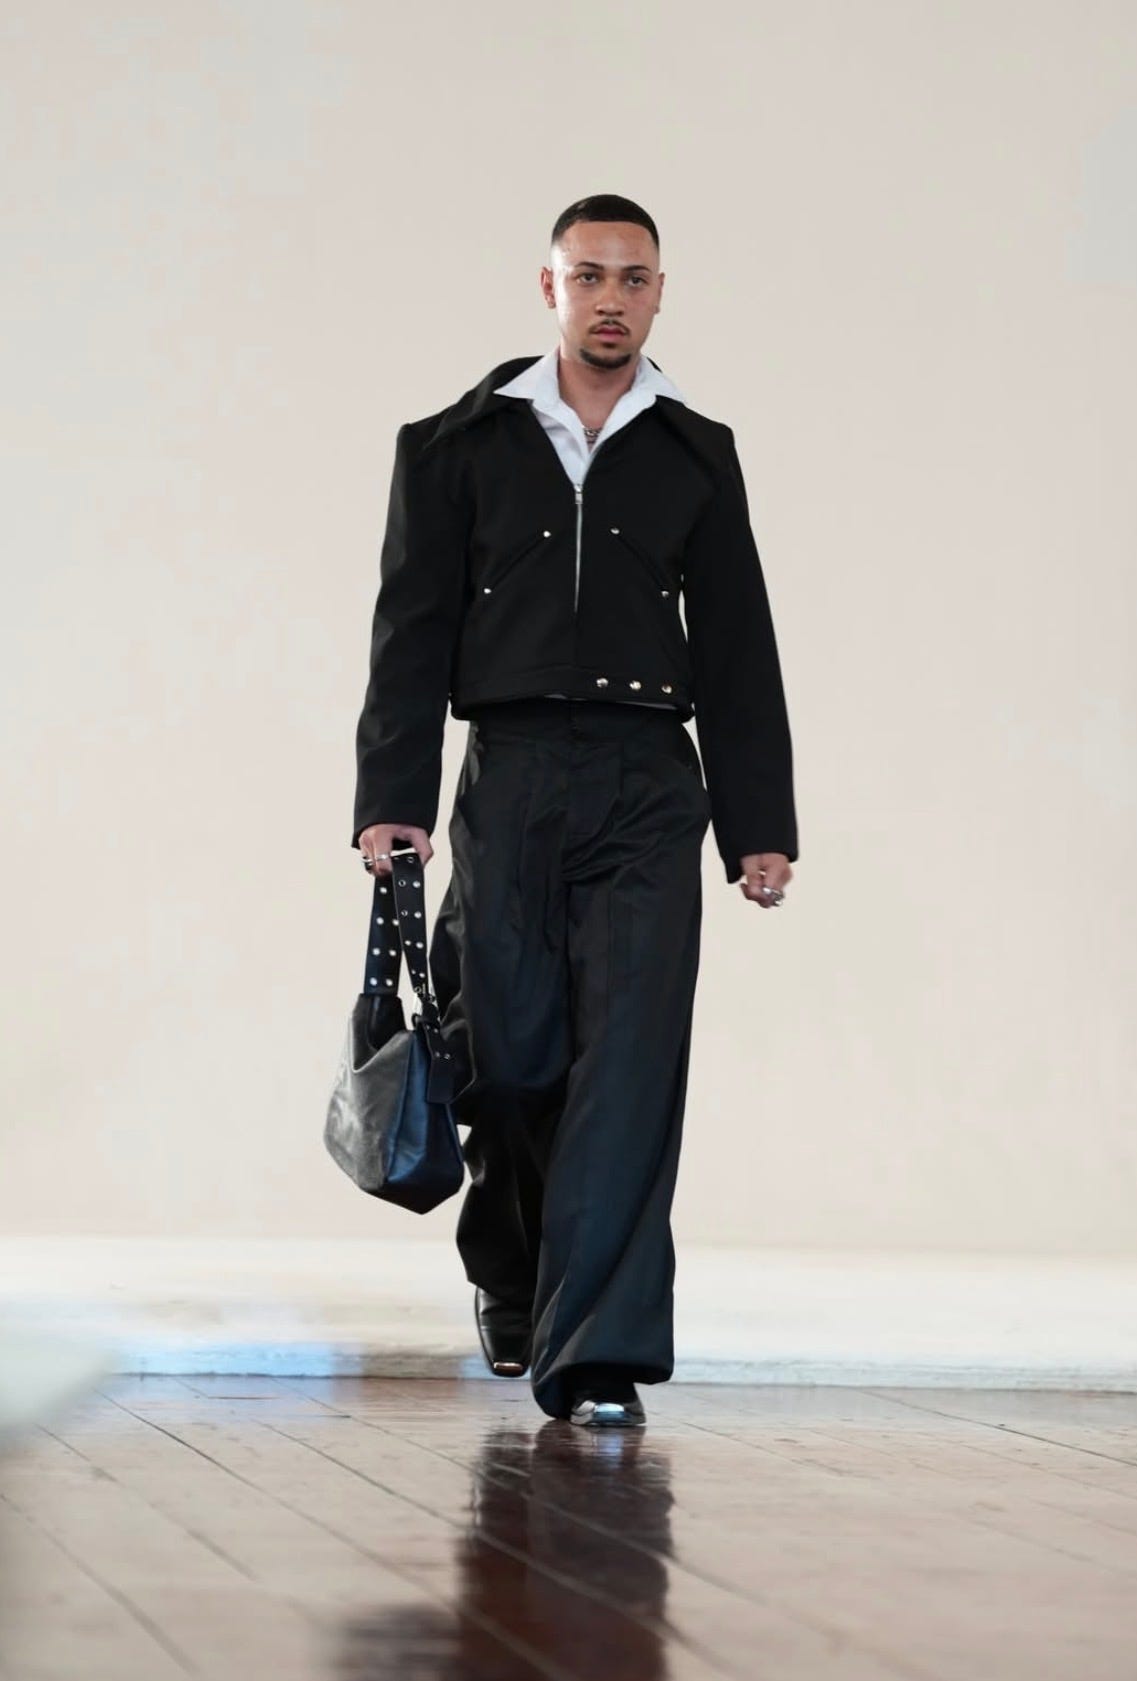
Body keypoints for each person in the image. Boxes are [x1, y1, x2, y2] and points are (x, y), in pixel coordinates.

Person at [352, 193, 798, 1428]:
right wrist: (392, 800)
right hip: (511, 773)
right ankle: (515, 1269)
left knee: (632, 1064)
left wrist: (758, 823)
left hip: (651, 784)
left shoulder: (695, 451)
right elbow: (410, 629)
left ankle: (598, 1352)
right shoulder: (453, 445)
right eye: (589, 275)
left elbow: (740, 642)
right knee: (509, 1055)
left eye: (634, 278)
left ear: (660, 293)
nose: (612, 297)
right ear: (548, 287)